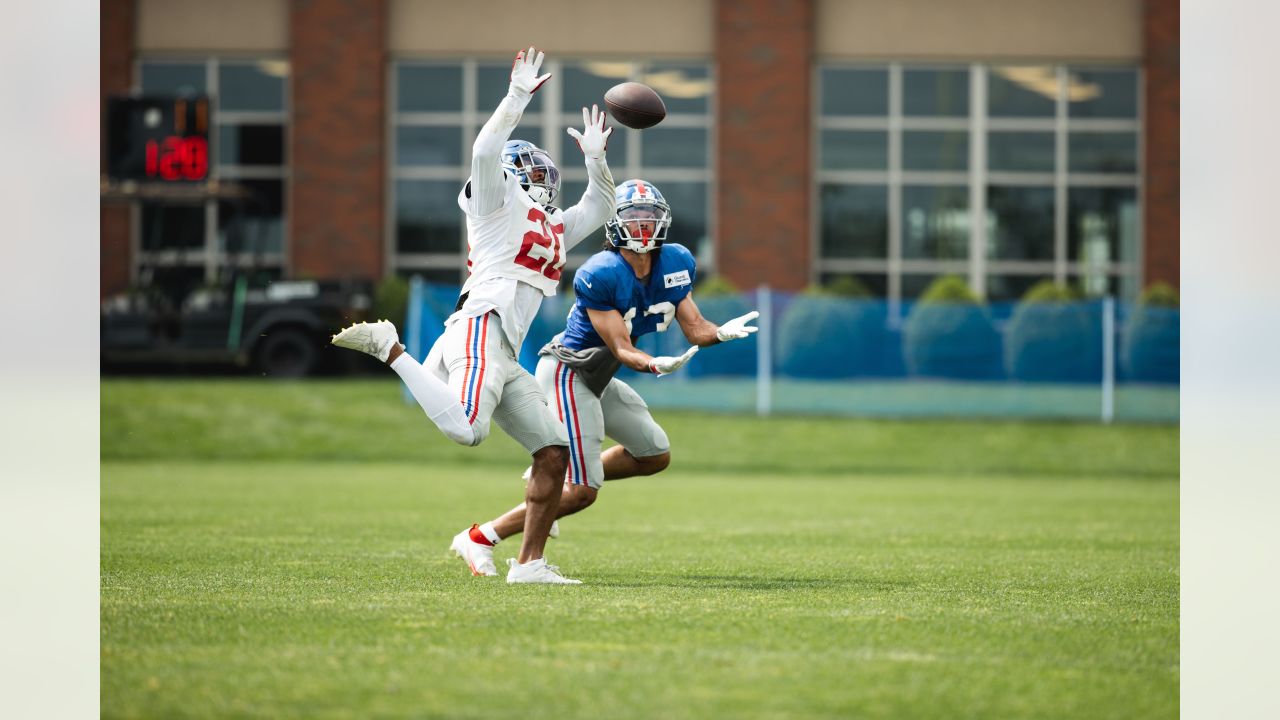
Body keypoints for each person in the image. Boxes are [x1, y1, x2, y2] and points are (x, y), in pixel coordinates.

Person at [331, 47, 615, 585]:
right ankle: (389, 348)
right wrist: (514, 100)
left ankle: (529, 565)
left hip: (504, 348)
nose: (535, 176)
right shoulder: (494, 201)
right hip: (481, 325)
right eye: (527, 169)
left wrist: (596, 160)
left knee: (553, 454)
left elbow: (601, 208)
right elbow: (485, 153)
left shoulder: (548, 226)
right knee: (467, 431)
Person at [449, 179, 759, 576]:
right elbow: (621, 347)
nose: (643, 227)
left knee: (653, 454)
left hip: (597, 378)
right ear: (616, 225)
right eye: (634, 218)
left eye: (649, 218)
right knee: (581, 492)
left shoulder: (677, 262)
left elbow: (695, 328)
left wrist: (719, 333)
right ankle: (513, 556)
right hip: (568, 372)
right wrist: (652, 363)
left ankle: (485, 534)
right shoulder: (602, 272)